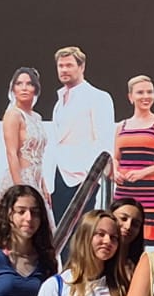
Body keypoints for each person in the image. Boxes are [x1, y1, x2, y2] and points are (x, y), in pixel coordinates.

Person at [48, 46, 115, 217]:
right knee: (60, 234)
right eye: (60, 66)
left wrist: (89, 176)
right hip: (59, 177)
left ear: (81, 67)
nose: (64, 70)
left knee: (81, 233)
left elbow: (104, 142)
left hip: (84, 179)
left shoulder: (98, 97)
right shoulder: (59, 102)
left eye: (69, 65)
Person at [113, 76, 154, 244]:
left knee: (151, 240)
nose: (146, 96)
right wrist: (115, 172)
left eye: (150, 92)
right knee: (122, 235)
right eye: (140, 92)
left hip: (150, 191)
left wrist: (143, 173)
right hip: (124, 189)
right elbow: (116, 157)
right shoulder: (121, 126)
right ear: (130, 97)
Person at [0, 67, 48, 204]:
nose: (24, 88)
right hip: (20, 178)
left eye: (29, 84)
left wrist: (43, 185)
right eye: (19, 84)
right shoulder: (13, 115)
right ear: (13, 89)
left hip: (36, 180)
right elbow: (11, 153)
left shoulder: (37, 117)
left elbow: (38, 157)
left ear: (36, 89)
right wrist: (19, 188)